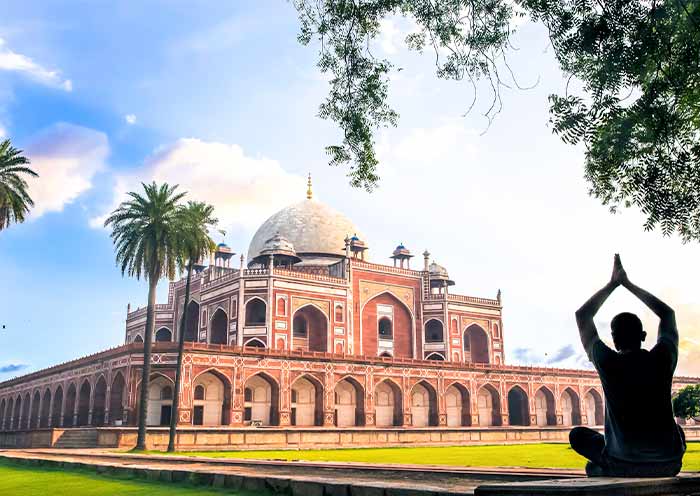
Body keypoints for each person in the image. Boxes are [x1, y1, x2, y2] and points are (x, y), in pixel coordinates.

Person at [571, 254, 686, 477]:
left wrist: (613, 284)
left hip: (624, 464)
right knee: (678, 430)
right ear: (643, 335)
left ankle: (607, 466)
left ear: (613, 338)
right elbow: (668, 314)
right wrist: (629, 285)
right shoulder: (663, 358)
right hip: (670, 463)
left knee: (579, 439)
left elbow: (583, 315)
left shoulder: (608, 362)